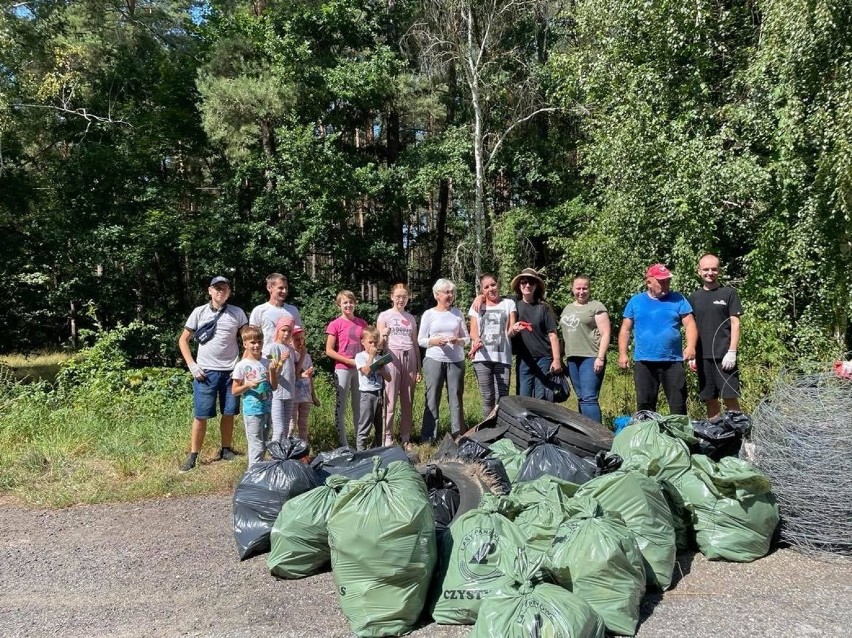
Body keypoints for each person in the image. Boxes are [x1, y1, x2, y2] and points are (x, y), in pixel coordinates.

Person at [177, 276, 248, 473]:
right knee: (201, 414)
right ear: (210, 291)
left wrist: (242, 364)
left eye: (224, 288)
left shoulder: (237, 313)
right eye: (217, 288)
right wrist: (192, 365)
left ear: (229, 292)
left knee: (229, 412)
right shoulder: (198, 312)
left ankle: (225, 449)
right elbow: (183, 340)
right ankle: (193, 455)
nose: (220, 292)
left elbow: (247, 340)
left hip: (231, 372)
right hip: (205, 372)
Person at [618, 264, 697, 415]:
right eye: (661, 281)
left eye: (667, 281)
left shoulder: (678, 299)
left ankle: (678, 436)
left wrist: (691, 346)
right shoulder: (636, 301)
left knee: (678, 403)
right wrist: (623, 354)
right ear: (649, 282)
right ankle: (648, 436)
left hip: (672, 360)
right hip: (644, 361)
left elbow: (690, 324)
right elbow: (625, 329)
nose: (666, 284)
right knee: (645, 405)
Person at [688, 253, 743, 419]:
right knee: (709, 398)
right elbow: (691, 327)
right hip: (702, 358)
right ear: (699, 271)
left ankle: (741, 437)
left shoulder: (729, 294)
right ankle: (717, 437)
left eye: (713, 269)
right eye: (706, 269)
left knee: (730, 397)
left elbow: (736, 324)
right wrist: (692, 354)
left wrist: (732, 351)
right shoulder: (694, 297)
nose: (709, 273)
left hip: (724, 356)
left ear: (719, 271)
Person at [418, 278, 470, 442]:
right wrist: (432, 342)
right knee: (432, 397)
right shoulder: (429, 314)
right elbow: (420, 340)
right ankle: (428, 437)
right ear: (437, 295)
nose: (450, 295)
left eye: (451, 292)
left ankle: (458, 435)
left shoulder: (457, 313)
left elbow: (467, 338)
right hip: (434, 359)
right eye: (446, 292)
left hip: (456, 360)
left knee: (456, 397)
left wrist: (458, 340)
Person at [560, 276, 611, 423]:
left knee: (589, 397)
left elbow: (606, 333)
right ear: (572, 289)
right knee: (581, 397)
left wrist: (600, 357)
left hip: (591, 357)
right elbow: (564, 335)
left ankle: (598, 435)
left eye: (585, 288)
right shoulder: (567, 308)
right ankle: (585, 433)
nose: (581, 292)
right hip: (572, 358)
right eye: (578, 288)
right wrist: (560, 357)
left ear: (589, 289)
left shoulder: (596, 307)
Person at [377, 283, 420, 449]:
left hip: (409, 356)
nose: (401, 300)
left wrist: (418, 367)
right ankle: (387, 436)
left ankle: (406, 436)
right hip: (392, 356)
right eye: (398, 296)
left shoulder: (410, 318)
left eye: (404, 297)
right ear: (392, 297)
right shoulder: (385, 316)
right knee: (390, 397)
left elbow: (415, 343)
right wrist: (383, 334)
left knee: (407, 398)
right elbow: (379, 344)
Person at [509, 268, 562, 400]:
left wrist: (556, 360)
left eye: (531, 282)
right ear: (519, 285)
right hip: (524, 358)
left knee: (541, 396)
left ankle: (541, 421)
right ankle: (523, 420)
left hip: (544, 357)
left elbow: (553, 335)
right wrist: (480, 297)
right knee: (523, 395)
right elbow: (492, 296)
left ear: (536, 286)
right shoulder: (513, 304)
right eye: (524, 282)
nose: (527, 285)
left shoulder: (543, 307)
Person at [468, 273, 517, 417]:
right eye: (486, 287)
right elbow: (473, 331)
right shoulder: (477, 306)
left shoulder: (509, 304)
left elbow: (510, 330)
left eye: (493, 285)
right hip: (482, 357)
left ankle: (502, 430)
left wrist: (515, 329)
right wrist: (477, 340)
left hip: (503, 357)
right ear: (482, 290)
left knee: (502, 399)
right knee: (488, 397)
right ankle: (487, 431)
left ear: (498, 284)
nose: (491, 289)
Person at [231, 324, 279, 467]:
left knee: (264, 445)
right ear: (245, 344)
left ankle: (260, 473)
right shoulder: (242, 365)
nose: (256, 345)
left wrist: (272, 371)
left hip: (266, 409)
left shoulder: (266, 362)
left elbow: (274, 387)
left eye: (259, 342)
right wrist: (247, 385)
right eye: (252, 342)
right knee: (256, 446)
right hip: (252, 411)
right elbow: (234, 390)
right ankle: (253, 477)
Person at [325, 290, 368, 448]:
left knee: (359, 406)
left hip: (360, 369)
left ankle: (359, 442)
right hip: (342, 368)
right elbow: (329, 350)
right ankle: (343, 443)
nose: (348, 305)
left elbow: (368, 343)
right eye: (345, 302)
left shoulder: (362, 323)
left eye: (351, 302)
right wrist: (348, 361)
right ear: (339, 305)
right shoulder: (335, 324)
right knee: (341, 406)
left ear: (355, 303)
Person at [354, 326, 392, 451]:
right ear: (363, 342)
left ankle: (377, 450)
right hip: (367, 394)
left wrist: (382, 370)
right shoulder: (360, 356)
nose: (373, 345)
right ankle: (361, 452)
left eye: (375, 342)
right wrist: (371, 356)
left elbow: (389, 378)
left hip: (379, 393)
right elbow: (366, 371)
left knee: (380, 425)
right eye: (370, 342)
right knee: (365, 424)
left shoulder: (379, 358)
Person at [263, 316, 298, 444]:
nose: (287, 334)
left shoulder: (290, 349)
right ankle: (274, 457)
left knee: (286, 428)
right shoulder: (272, 348)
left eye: (289, 331)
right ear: (277, 330)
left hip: (290, 393)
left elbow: (294, 371)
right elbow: (270, 372)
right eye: (284, 330)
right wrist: (281, 362)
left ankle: (282, 456)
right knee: (278, 429)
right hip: (276, 393)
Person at [249, 273, 303, 345]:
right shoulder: (259, 310)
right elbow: (252, 338)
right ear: (269, 288)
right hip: (267, 355)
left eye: (286, 288)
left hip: (289, 354)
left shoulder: (293, 310)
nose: (284, 291)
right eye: (280, 288)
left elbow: (298, 335)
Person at [289, 325, 321, 441]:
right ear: (291, 340)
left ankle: (304, 449)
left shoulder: (307, 356)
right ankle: (288, 447)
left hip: (305, 395)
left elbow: (309, 378)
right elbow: (295, 374)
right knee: (291, 424)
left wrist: (313, 396)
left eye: (302, 338)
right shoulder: (291, 355)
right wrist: (302, 356)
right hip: (293, 395)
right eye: (297, 339)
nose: (300, 342)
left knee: (303, 424)